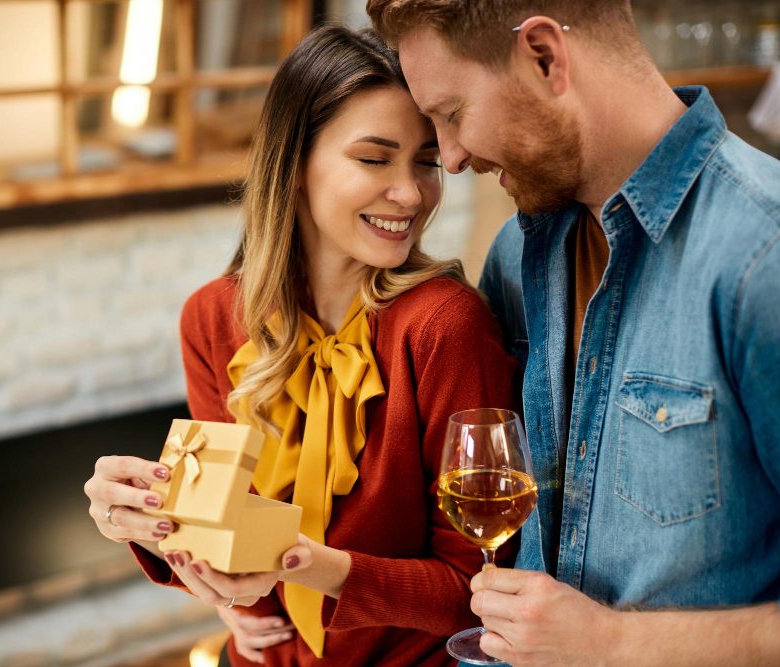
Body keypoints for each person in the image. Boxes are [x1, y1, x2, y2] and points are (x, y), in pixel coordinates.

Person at [83, 25, 518, 666]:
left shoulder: (445, 328)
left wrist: (305, 565)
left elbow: (476, 595)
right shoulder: (212, 319)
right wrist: (151, 526)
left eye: (425, 162)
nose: (411, 193)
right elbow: (240, 573)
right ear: (292, 164)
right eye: (374, 158)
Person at [365, 1, 780, 665]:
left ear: (545, 57)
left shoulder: (763, 253)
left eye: (450, 114)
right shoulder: (517, 253)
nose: (452, 155)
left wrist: (613, 643)